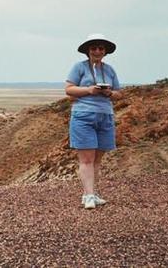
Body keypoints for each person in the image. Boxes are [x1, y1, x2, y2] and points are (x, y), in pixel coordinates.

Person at [65, 33, 121, 209]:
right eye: (93, 48)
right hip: (83, 115)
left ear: (105, 51)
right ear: (88, 51)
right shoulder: (79, 67)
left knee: (97, 159)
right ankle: (89, 196)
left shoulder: (110, 70)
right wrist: (89, 90)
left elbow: (120, 93)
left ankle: (89, 193)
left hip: (105, 116)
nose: (97, 51)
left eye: (100, 48)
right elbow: (69, 89)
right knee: (87, 159)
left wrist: (109, 93)